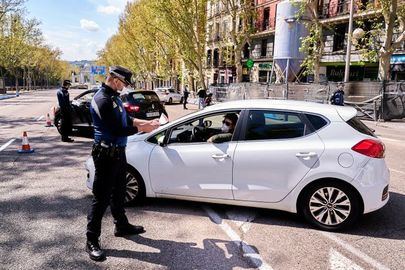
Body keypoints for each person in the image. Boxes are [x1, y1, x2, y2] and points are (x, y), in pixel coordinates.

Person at [86, 66, 160, 261]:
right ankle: (91, 239)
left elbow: (126, 118)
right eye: (125, 83)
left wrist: (144, 122)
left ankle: (121, 225)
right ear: (116, 80)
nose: (125, 87)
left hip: (118, 153)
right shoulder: (102, 100)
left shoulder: (114, 97)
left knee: (119, 191)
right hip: (105, 154)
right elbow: (118, 129)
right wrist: (144, 129)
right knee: (101, 198)